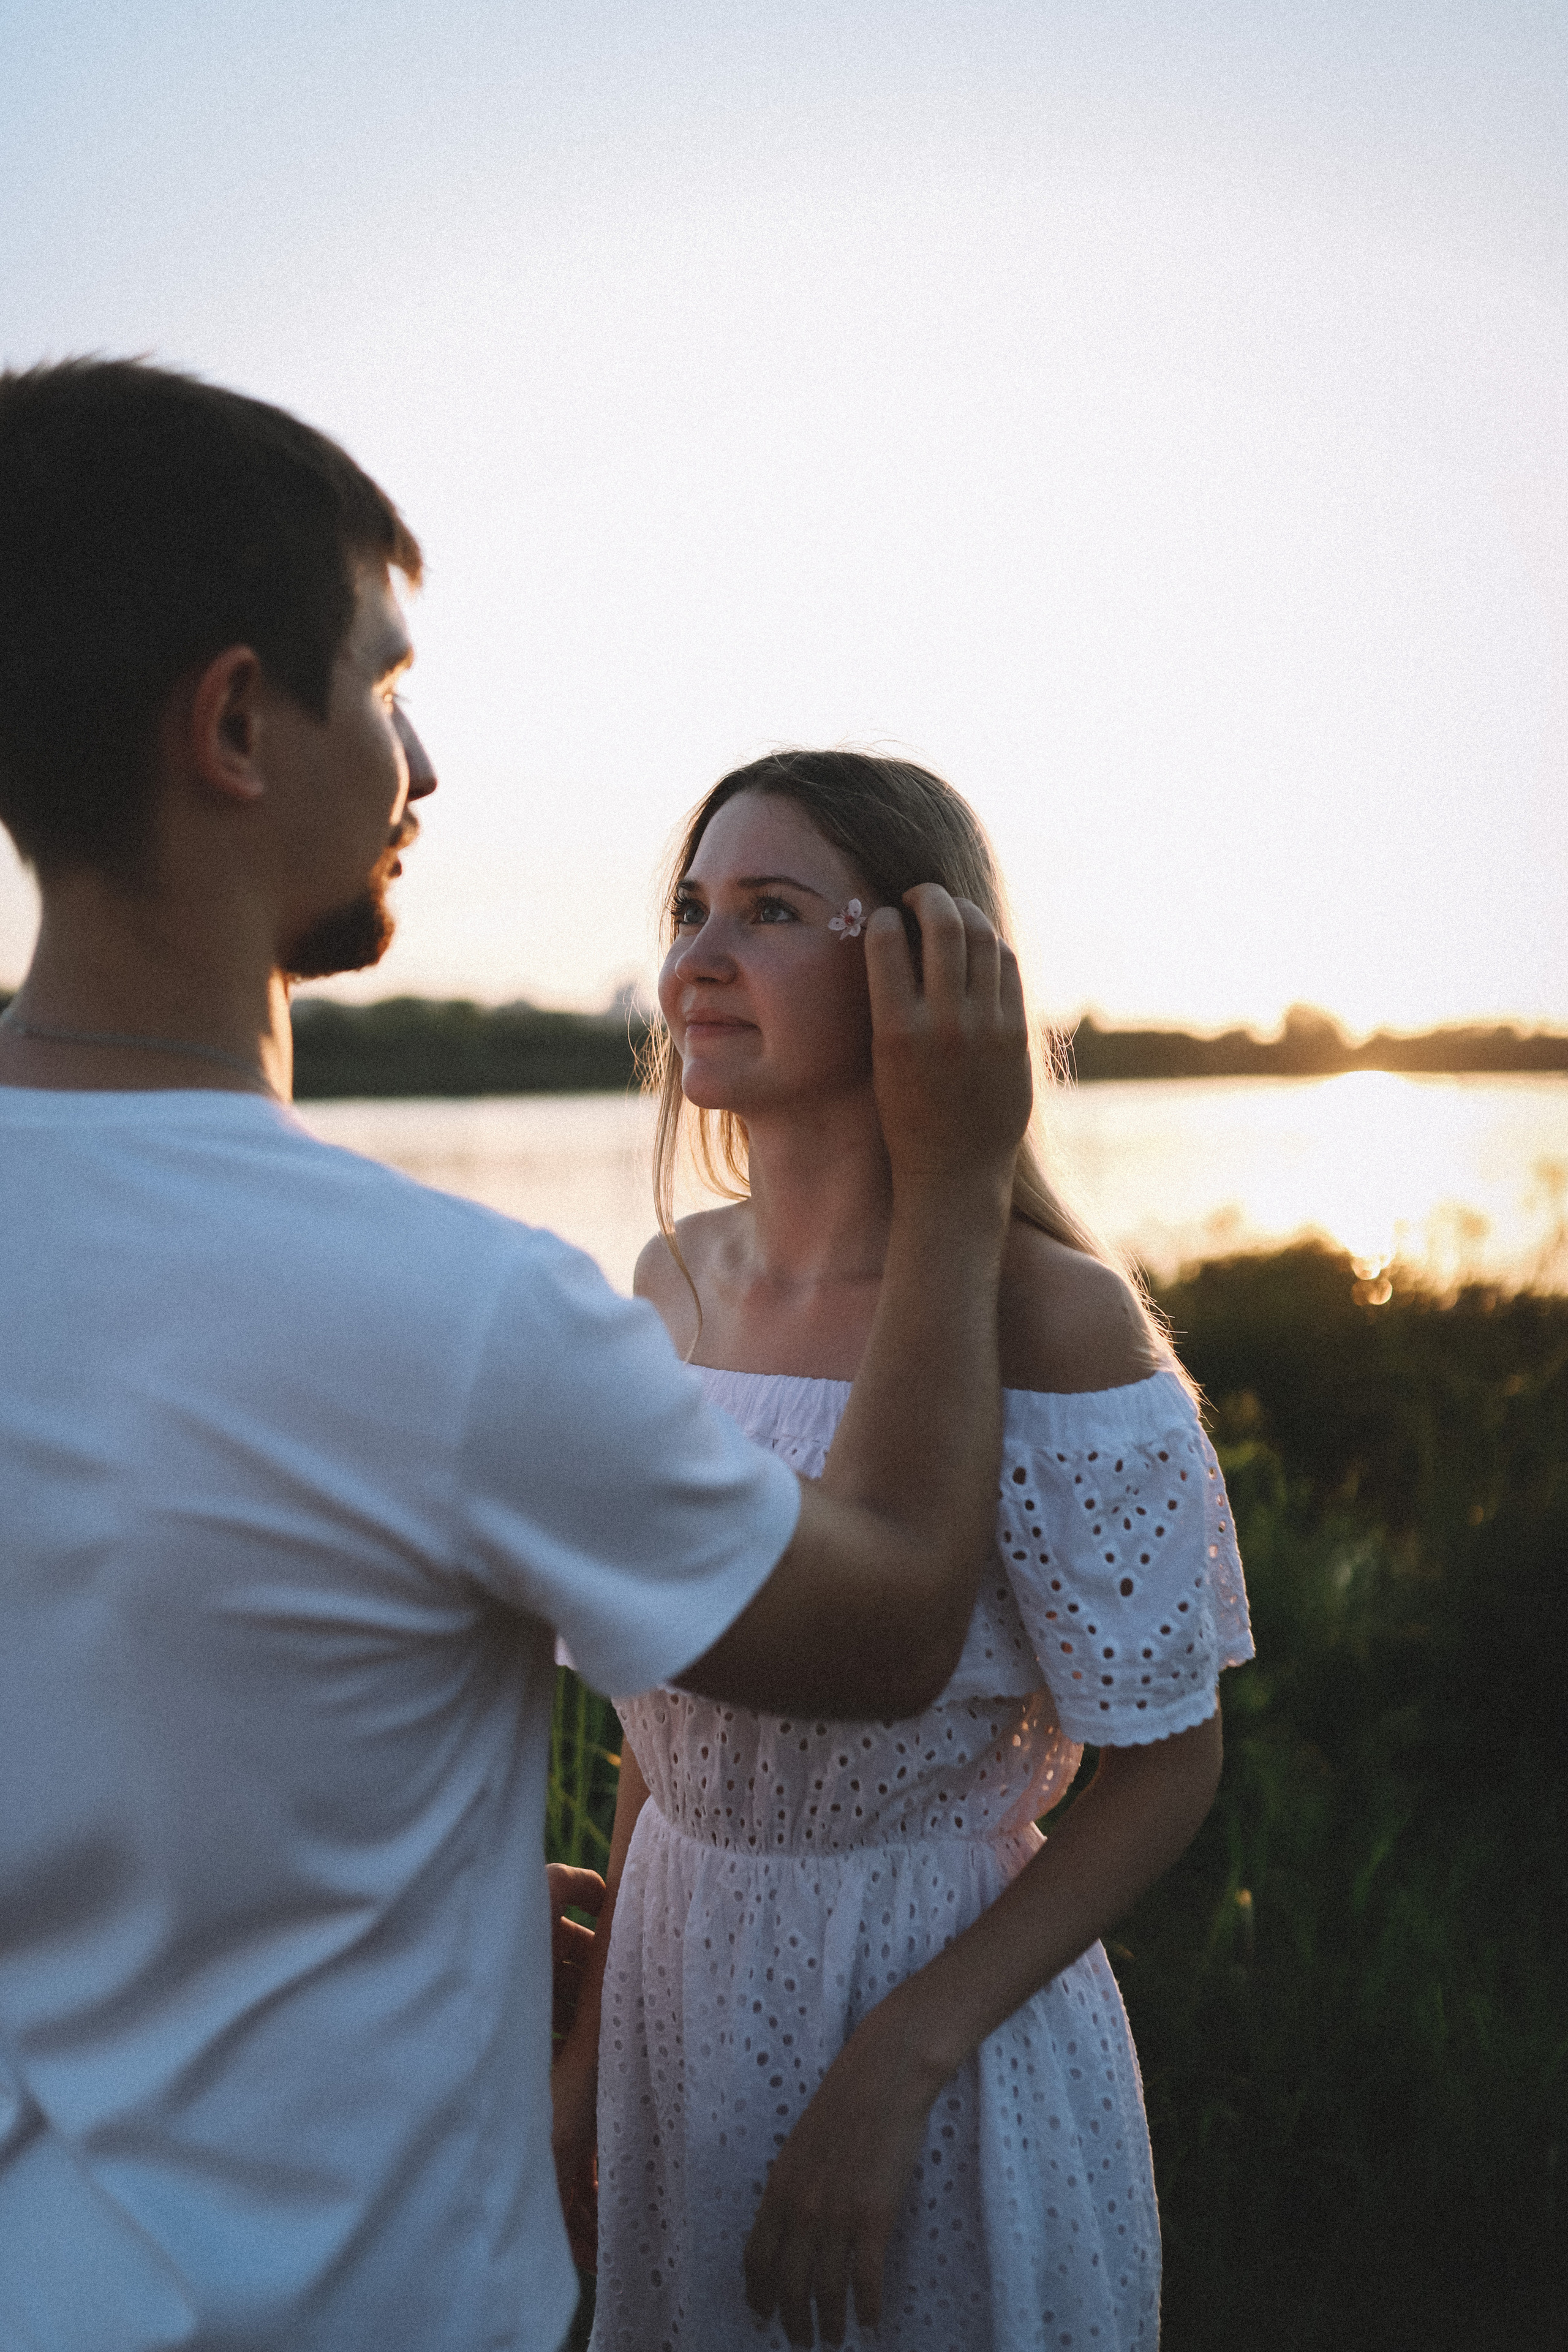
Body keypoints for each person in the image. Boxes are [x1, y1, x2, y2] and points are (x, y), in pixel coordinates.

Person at [0, 362, 1035, 2352]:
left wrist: (443, 1897)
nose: (424, 763)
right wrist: (964, 1183)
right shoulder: (451, 1315)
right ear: (232, 722)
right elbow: (895, 1618)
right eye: (384, 687)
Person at [551, 752, 1256, 2351]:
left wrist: (897, 2065)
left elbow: (1165, 1767)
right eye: (691, 908)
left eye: (773, 911)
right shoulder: (664, 1290)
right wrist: (594, 2059)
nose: (698, 957)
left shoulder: (1057, 1323)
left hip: (939, 2021)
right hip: (675, 1981)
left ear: (928, 969)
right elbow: (663, 1721)